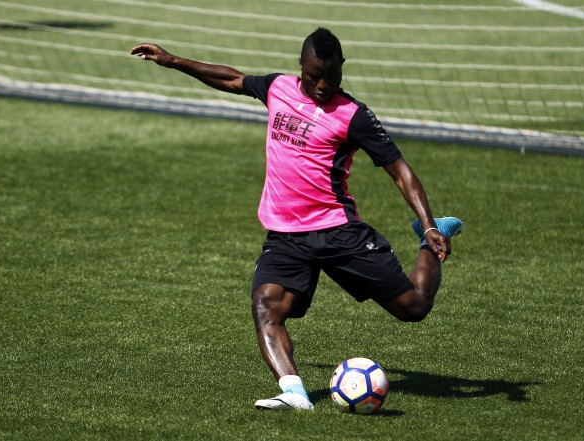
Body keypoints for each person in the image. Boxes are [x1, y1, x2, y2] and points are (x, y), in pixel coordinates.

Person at [131, 27, 463, 411]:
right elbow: (230, 78)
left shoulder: (353, 115)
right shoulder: (277, 88)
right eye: (312, 76)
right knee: (266, 307)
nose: (322, 85)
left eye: (331, 77)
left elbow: (399, 170)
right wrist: (171, 59)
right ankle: (294, 393)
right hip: (286, 235)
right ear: (300, 68)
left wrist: (428, 224)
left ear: (342, 69)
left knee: (414, 307)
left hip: (337, 232)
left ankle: (428, 242)